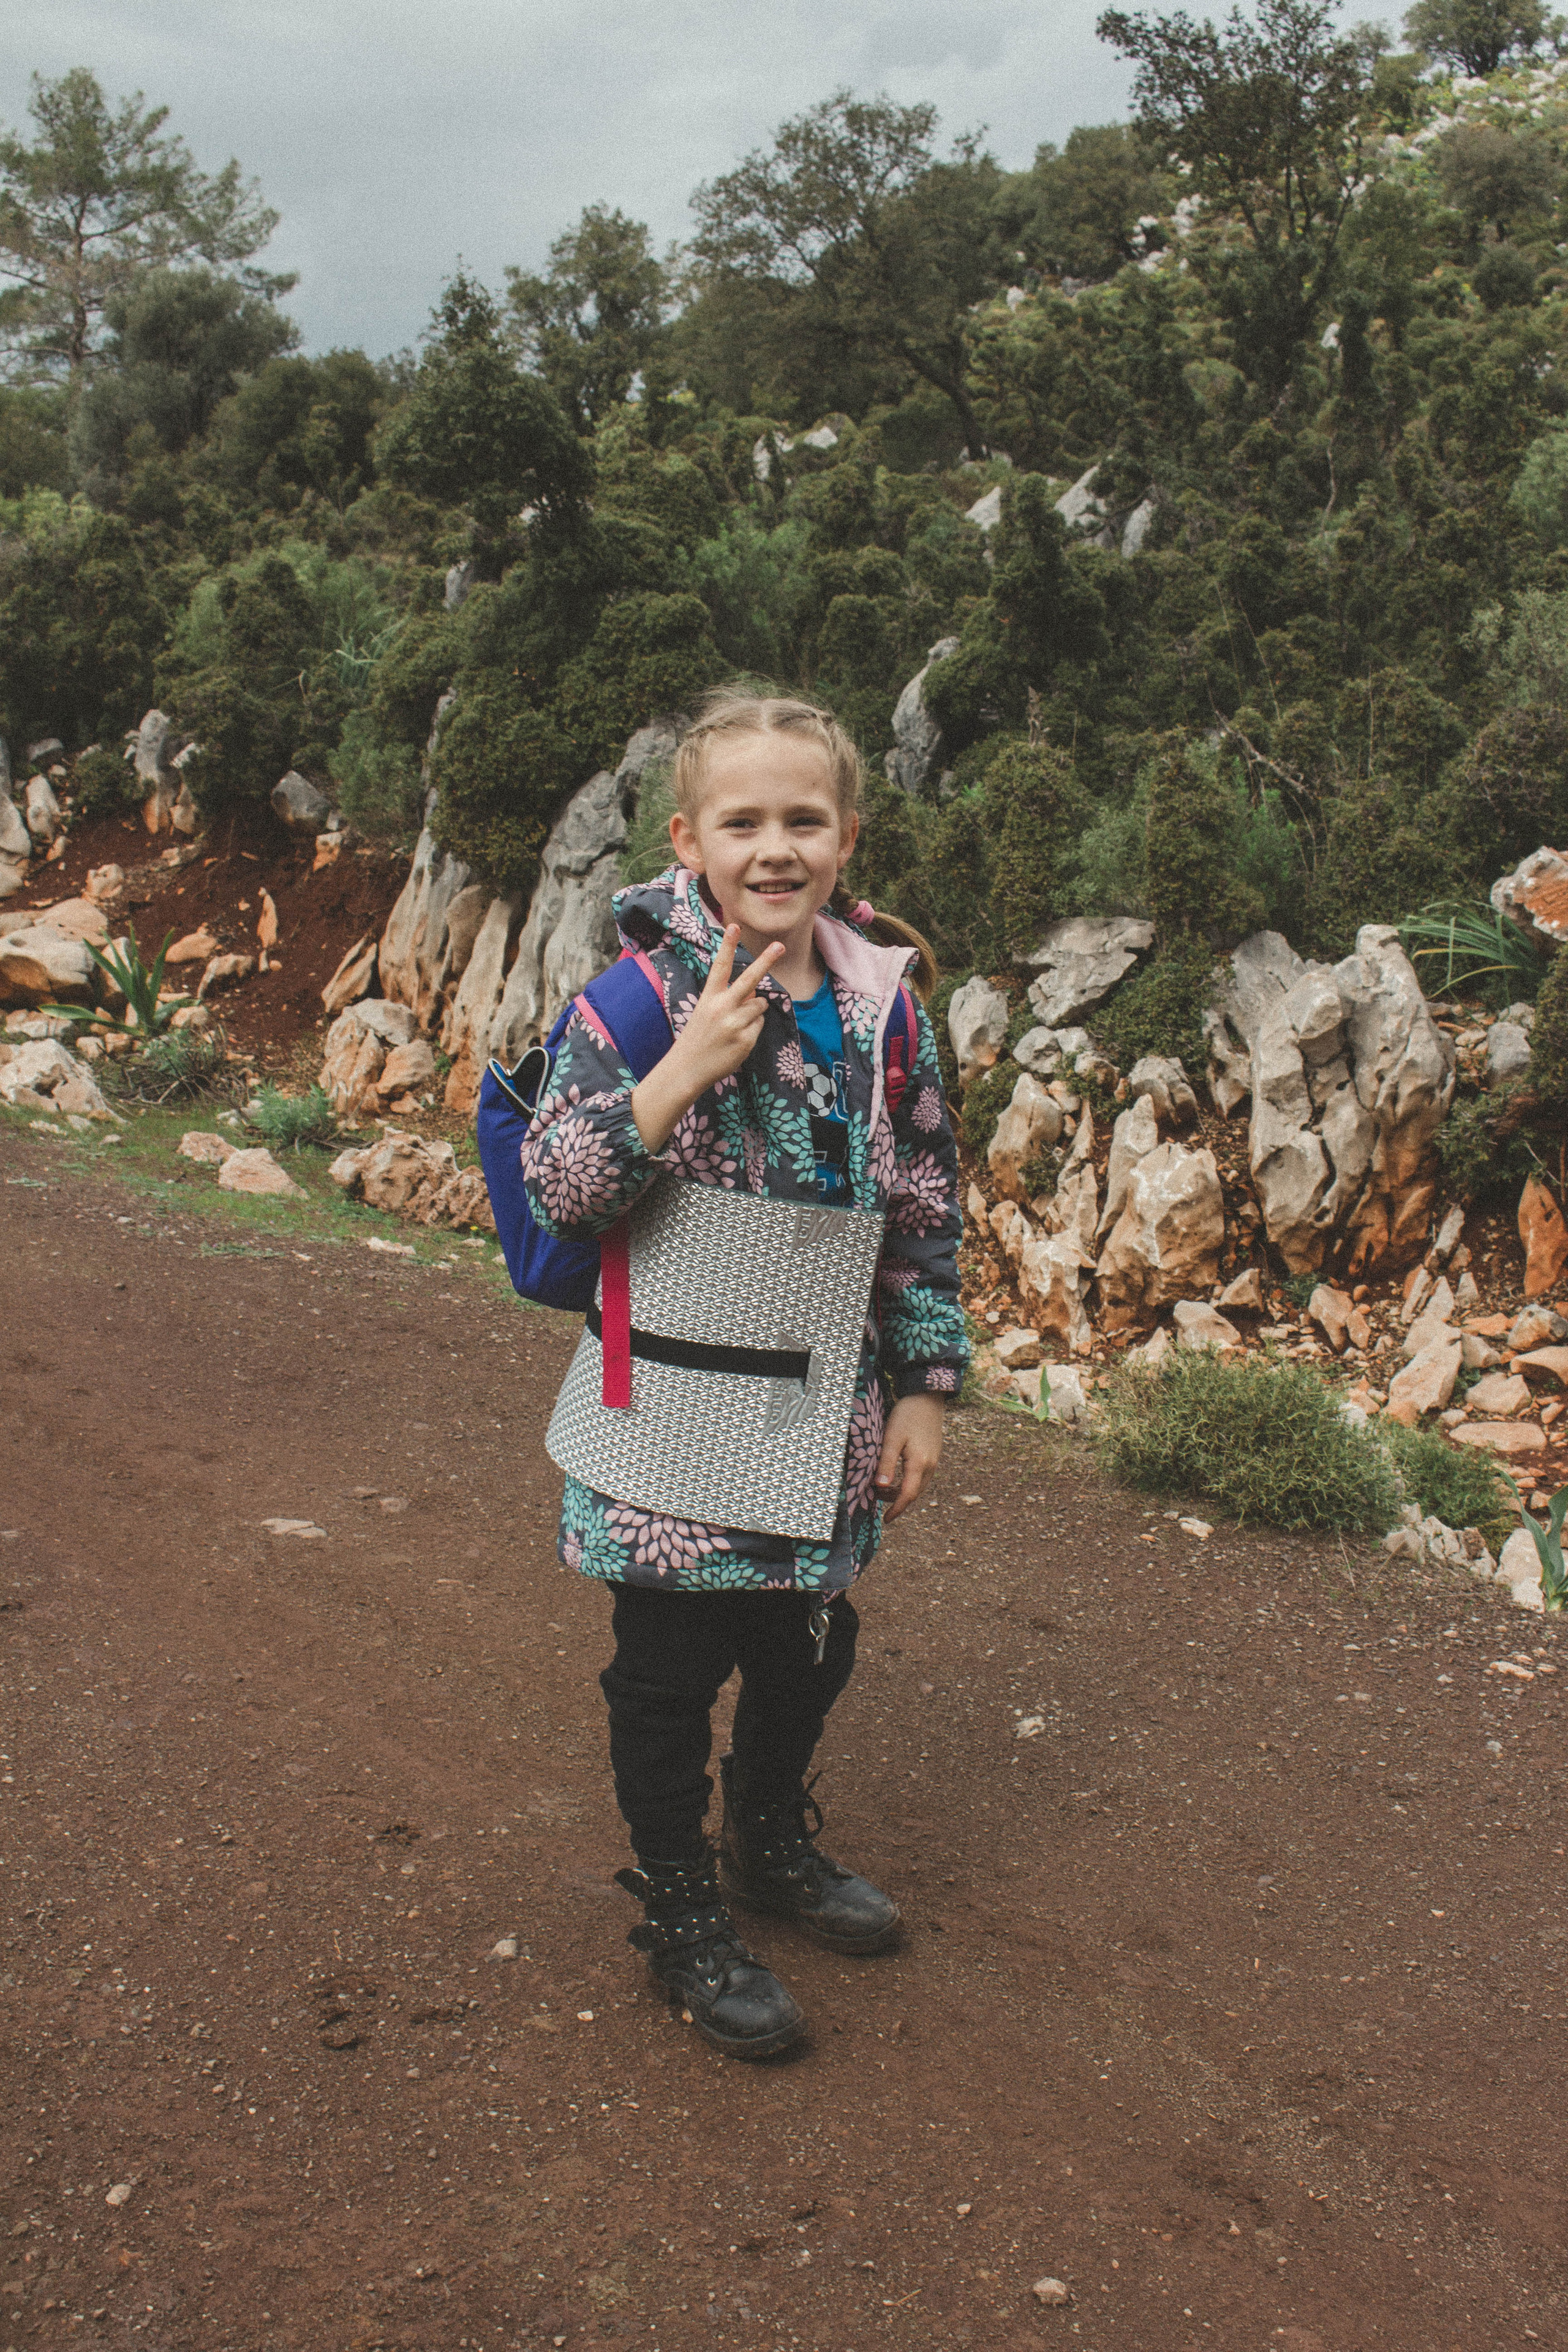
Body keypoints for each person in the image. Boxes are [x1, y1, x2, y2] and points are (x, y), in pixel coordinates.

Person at [519, 691, 968, 2059]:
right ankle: (679, 1910)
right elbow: (559, 1188)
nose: (774, 847)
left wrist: (923, 1385)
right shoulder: (636, 997)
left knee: (808, 1646)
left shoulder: (886, 1003)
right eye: (742, 821)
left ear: (843, 836)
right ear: (687, 838)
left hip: (820, 1403)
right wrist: (679, 1074)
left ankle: (764, 1844)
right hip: (667, 1398)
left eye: (802, 819)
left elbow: (926, 1205)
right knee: (662, 1671)